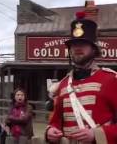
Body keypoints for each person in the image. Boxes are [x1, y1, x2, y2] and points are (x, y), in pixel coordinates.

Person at [46, 11, 117, 144]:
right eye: (74, 44)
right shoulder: (63, 85)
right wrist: (50, 131)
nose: (77, 47)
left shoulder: (111, 80)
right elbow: (55, 121)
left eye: (83, 43)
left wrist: (97, 134)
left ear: (94, 49)